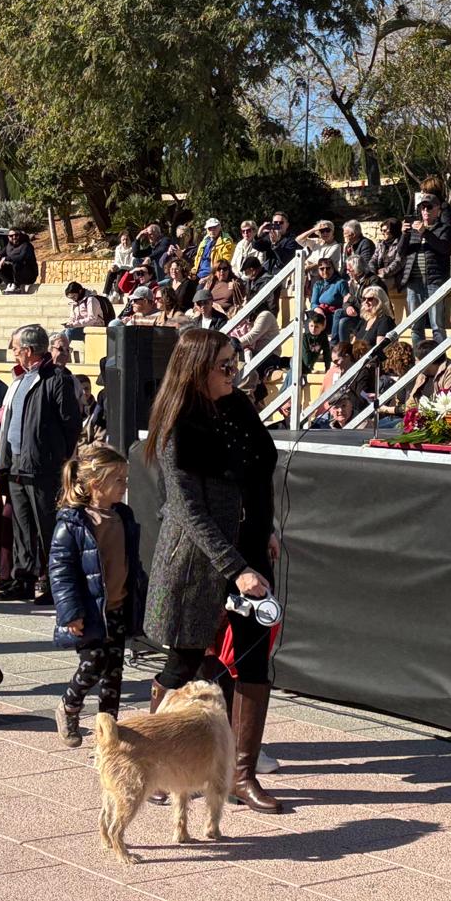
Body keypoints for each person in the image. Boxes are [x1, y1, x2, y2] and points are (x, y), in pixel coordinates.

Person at [141, 328, 284, 813]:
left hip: (248, 550)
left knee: (253, 661)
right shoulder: (177, 424)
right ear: (196, 369)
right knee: (184, 664)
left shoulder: (240, 408)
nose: (233, 371)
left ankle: (240, 775)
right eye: (223, 364)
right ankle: (154, 759)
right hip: (197, 562)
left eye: (234, 361)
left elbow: (258, 474)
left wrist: (266, 528)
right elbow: (187, 511)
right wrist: (235, 567)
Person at [51, 442, 146, 748]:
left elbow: (131, 561)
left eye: (126, 480)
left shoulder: (123, 516)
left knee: (114, 676)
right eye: (119, 480)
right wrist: (71, 614)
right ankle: (69, 705)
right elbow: (61, 573)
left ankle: (108, 739)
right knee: (94, 663)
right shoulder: (73, 523)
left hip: (117, 607)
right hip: (91, 612)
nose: (124, 486)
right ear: (95, 485)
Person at [0, 324, 82, 603]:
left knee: (48, 528)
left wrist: (55, 458)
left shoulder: (57, 379)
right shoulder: (21, 379)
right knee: (22, 528)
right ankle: (24, 579)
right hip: (17, 467)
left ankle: (54, 583)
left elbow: (71, 426)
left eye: (17, 348)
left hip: (43, 469)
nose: (14, 353)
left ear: (29, 351)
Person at [400, 193, 451, 340]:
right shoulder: (413, 230)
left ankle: (440, 361)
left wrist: (426, 233)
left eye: (429, 207)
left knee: (437, 326)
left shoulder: (444, 228)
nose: (425, 211)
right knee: (415, 326)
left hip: (434, 281)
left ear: (437, 210)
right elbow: (401, 253)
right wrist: (404, 235)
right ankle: (419, 361)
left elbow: (445, 249)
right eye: (422, 207)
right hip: (414, 282)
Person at [0, 227, 39, 294]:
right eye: (11, 236)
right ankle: (9, 284)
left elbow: (20, 257)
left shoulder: (26, 245)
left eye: (16, 235)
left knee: (17, 263)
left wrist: (6, 258)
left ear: (20, 235)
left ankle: (17, 287)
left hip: (28, 274)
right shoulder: (8, 246)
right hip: (15, 273)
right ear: (8, 237)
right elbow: (0, 254)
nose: (14, 237)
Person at [103, 231, 136, 298]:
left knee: (121, 271)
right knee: (110, 272)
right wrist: (114, 266)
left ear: (130, 240)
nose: (125, 241)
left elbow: (132, 265)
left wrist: (120, 267)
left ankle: (116, 293)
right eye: (123, 240)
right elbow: (117, 261)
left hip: (130, 271)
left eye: (127, 239)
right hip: (119, 269)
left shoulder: (134, 249)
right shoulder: (118, 248)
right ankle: (105, 294)